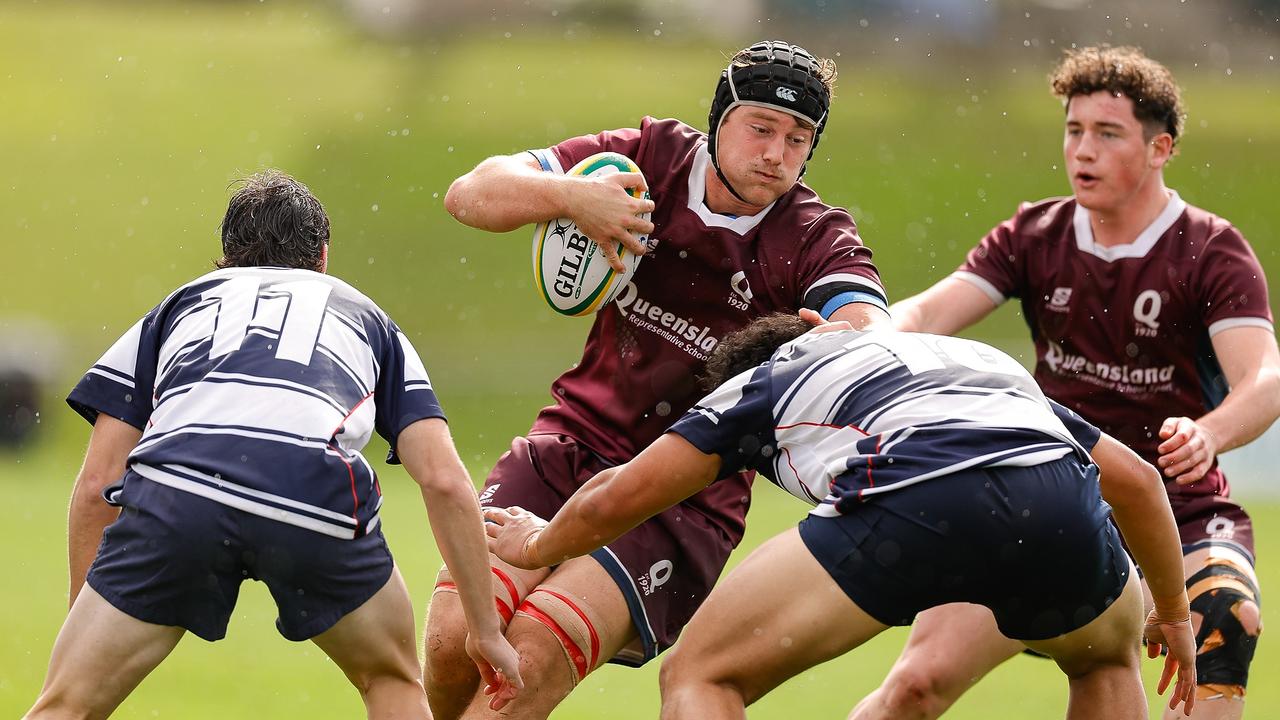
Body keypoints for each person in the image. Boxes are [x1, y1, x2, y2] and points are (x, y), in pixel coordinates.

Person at [428, 40, 891, 719]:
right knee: (453, 643)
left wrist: (841, 337)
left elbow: (870, 328)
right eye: (760, 127)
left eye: (798, 139)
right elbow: (469, 194)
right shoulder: (648, 162)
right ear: (719, 121)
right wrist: (571, 196)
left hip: (682, 497)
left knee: (525, 662)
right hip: (569, 446)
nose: (776, 154)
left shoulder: (813, 234)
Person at [484, 312, 1198, 719]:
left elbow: (621, 495)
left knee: (702, 676)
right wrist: (1172, 612)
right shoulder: (964, 357)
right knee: (1105, 660)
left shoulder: (764, 382)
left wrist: (539, 538)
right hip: (1061, 498)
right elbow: (1135, 482)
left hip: (920, 494)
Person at [857, 45, 1280, 720]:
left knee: (1228, 619)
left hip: (1181, 513)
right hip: (1048, 499)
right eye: (1073, 130)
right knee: (914, 685)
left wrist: (1208, 433)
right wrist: (861, 333)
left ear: (1160, 148)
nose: (1083, 150)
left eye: (1107, 134)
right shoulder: (1036, 234)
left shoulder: (1209, 250)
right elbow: (930, 313)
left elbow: (1263, 378)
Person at [24, 170, 522, 719]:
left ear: (226, 258)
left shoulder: (177, 307)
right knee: (391, 678)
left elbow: (99, 483)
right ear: (324, 257)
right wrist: (484, 630)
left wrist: (88, 624)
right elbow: (445, 480)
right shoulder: (365, 316)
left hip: (179, 494)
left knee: (67, 706)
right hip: (310, 494)